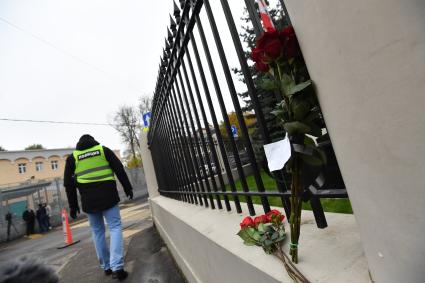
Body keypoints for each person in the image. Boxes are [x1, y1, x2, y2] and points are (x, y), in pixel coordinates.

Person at [64, 134, 133, 281]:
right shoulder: (103, 150)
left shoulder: (73, 158)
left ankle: (107, 267)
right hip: (109, 197)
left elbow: (68, 184)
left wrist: (73, 205)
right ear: (93, 142)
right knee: (114, 227)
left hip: (89, 202)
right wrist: (128, 188)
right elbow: (119, 169)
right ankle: (117, 267)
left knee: (97, 232)